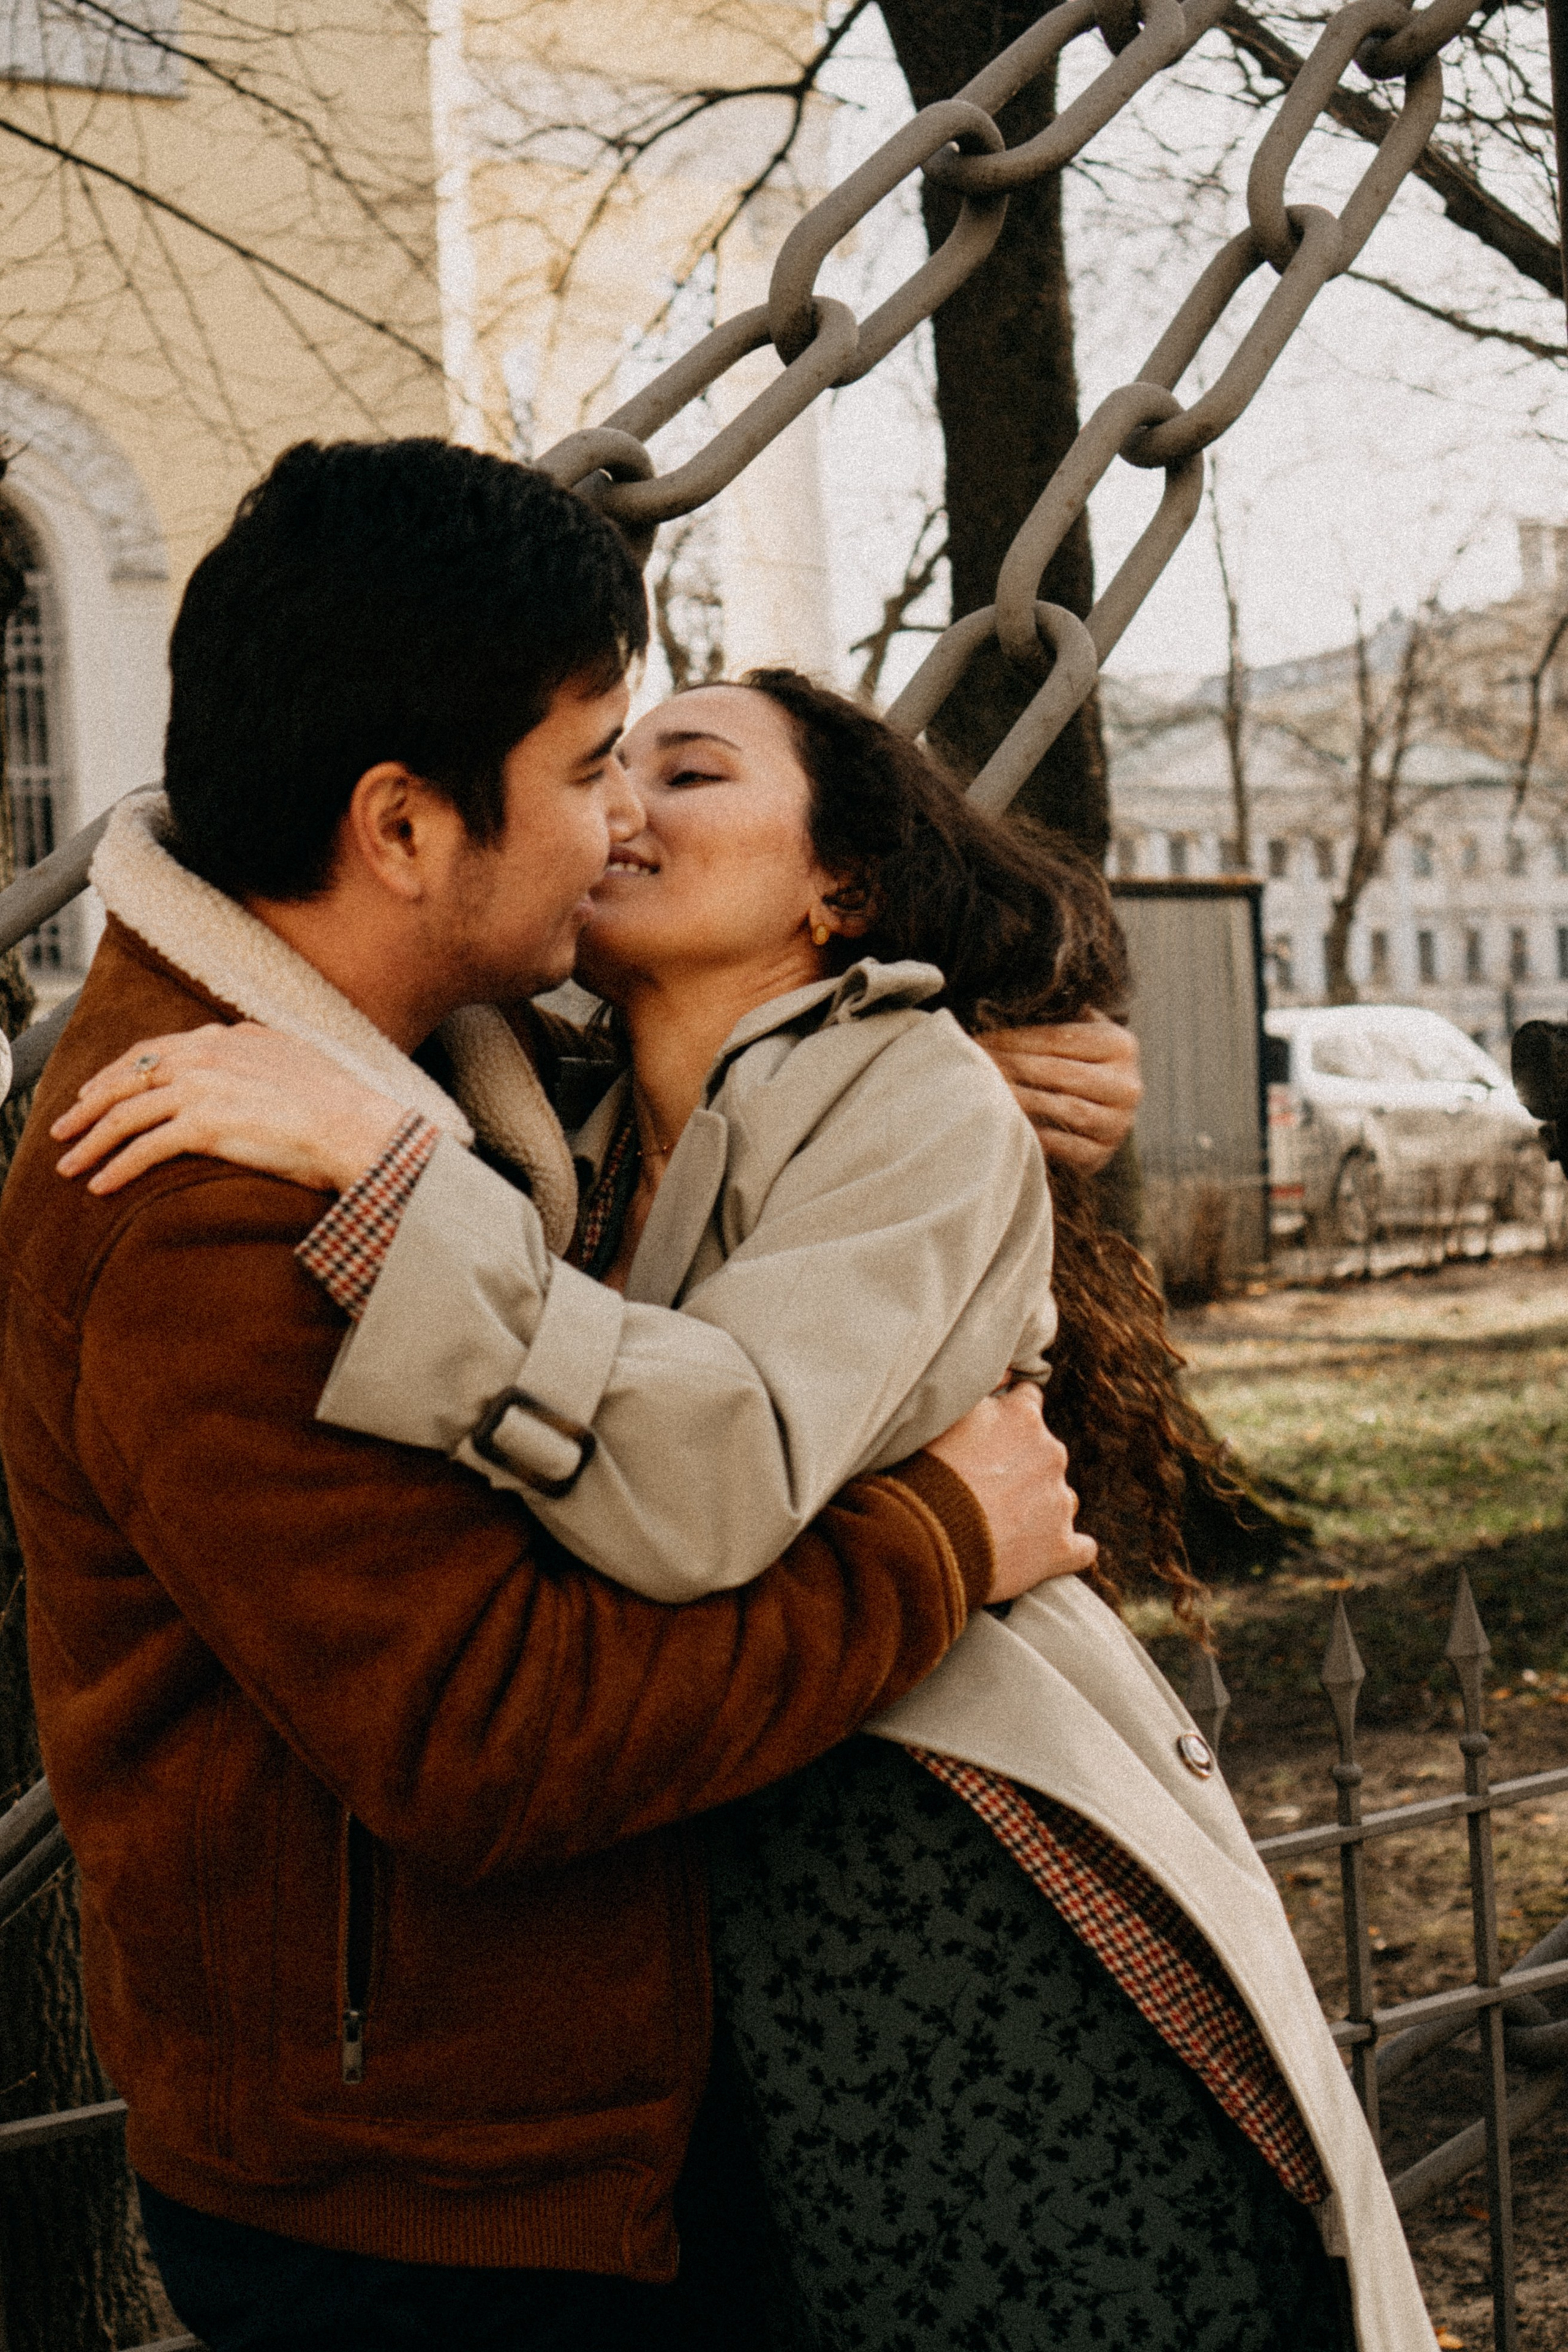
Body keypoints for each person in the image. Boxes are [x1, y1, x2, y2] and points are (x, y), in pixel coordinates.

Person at [59, 671, 1436, 2350]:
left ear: (837, 889)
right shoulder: (557, 1131)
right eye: (606, 768)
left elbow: (710, 1482)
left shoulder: (907, 1098)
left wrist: (386, 1181)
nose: (620, 805)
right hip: (722, 1932)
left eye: (687, 770)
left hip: (944, 1898)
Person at [0, 439, 1101, 2352]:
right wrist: (942, 1540)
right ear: (407, 828)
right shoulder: (202, 1195)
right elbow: (497, 1736)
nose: (618, 825)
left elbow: (749, 1102)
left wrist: (1006, 1080)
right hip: (420, 2207)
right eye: (596, 766)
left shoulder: (433, 1062)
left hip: (546, 2116)